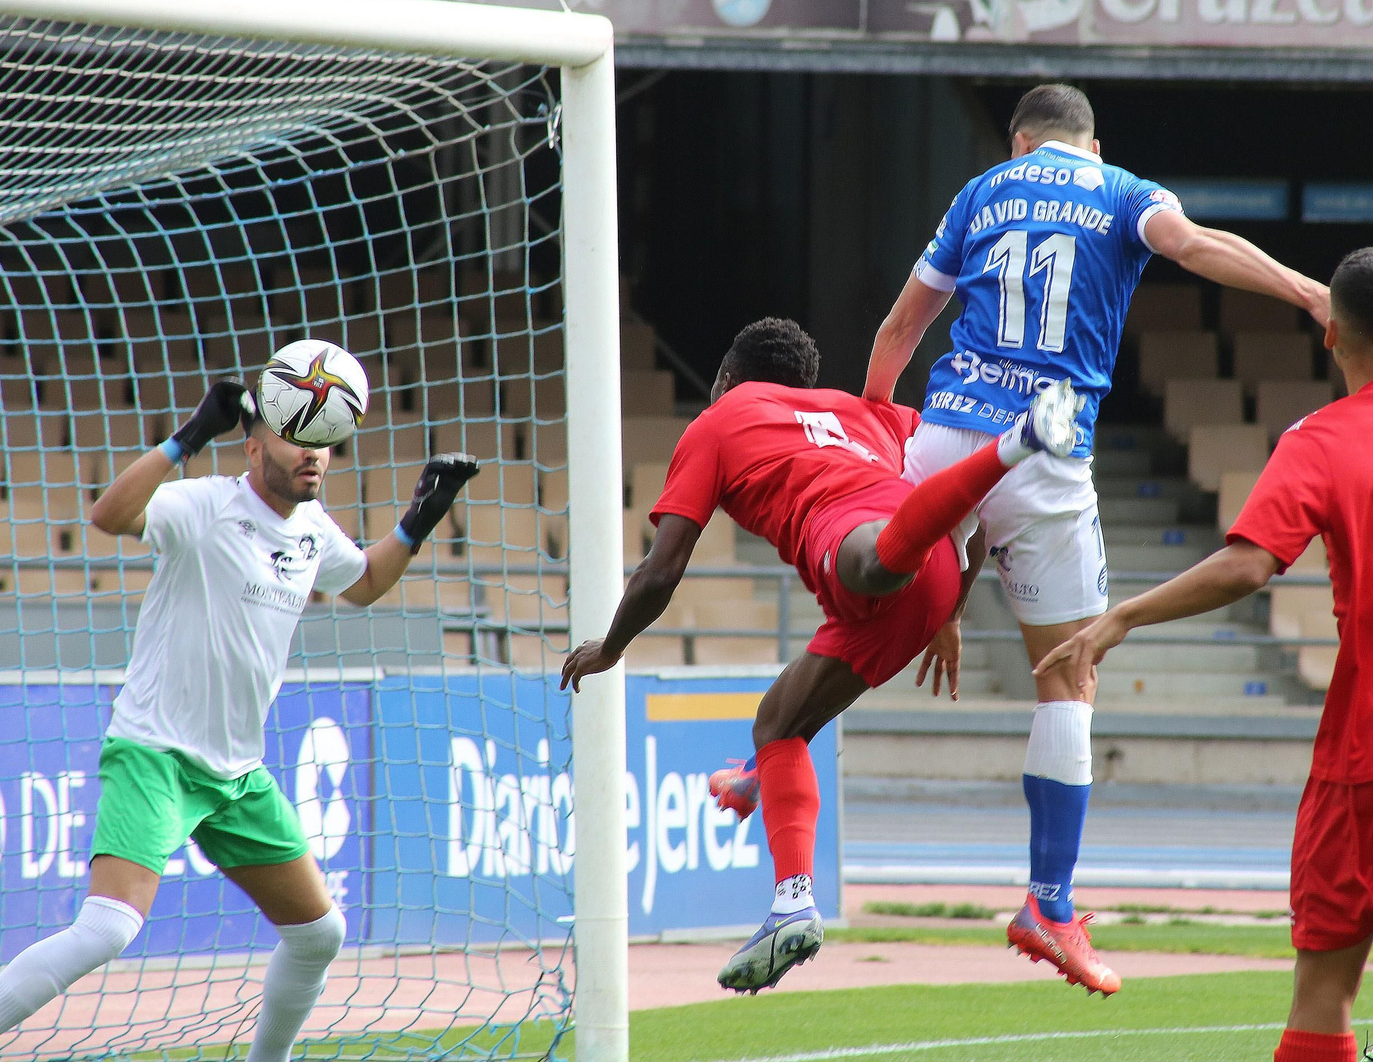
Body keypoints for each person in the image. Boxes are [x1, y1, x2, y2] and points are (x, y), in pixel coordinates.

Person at [861, 82, 1330, 993]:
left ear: (1021, 140)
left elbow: (898, 329)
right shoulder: (1121, 191)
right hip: (1043, 443)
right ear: (1091, 140)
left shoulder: (982, 191)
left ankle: (764, 763)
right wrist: (1304, 288)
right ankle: (1048, 901)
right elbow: (1195, 245)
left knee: (863, 612)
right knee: (1068, 677)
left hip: (947, 434)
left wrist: (885, 439)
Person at [0, 380, 479, 1062]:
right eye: (295, 438)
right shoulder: (206, 504)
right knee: (107, 928)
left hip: (236, 774)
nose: (314, 455)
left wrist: (421, 517)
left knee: (319, 933)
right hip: (155, 752)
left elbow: (361, 582)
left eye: (324, 443)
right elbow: (110, 514)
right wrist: (188, 436)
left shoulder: (310, 530)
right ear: (251, 446)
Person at [560, 317, 1082, 994]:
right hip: (931, 583)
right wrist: (951, 613)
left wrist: (612, 646)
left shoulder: (714, 424)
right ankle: (792, 902)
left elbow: (661, 571)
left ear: (724, 379)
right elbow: (971, 514)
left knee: (872, 556)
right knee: (778, 722)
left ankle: (1019, 444)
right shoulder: (865, 412)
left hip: (865, 550)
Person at [1038, 248, 1373, 1062]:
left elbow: (1250, 562)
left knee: (1324, 990)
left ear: (1330, 334)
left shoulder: (1322, 441)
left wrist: (1120, 617)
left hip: (1364, 756)